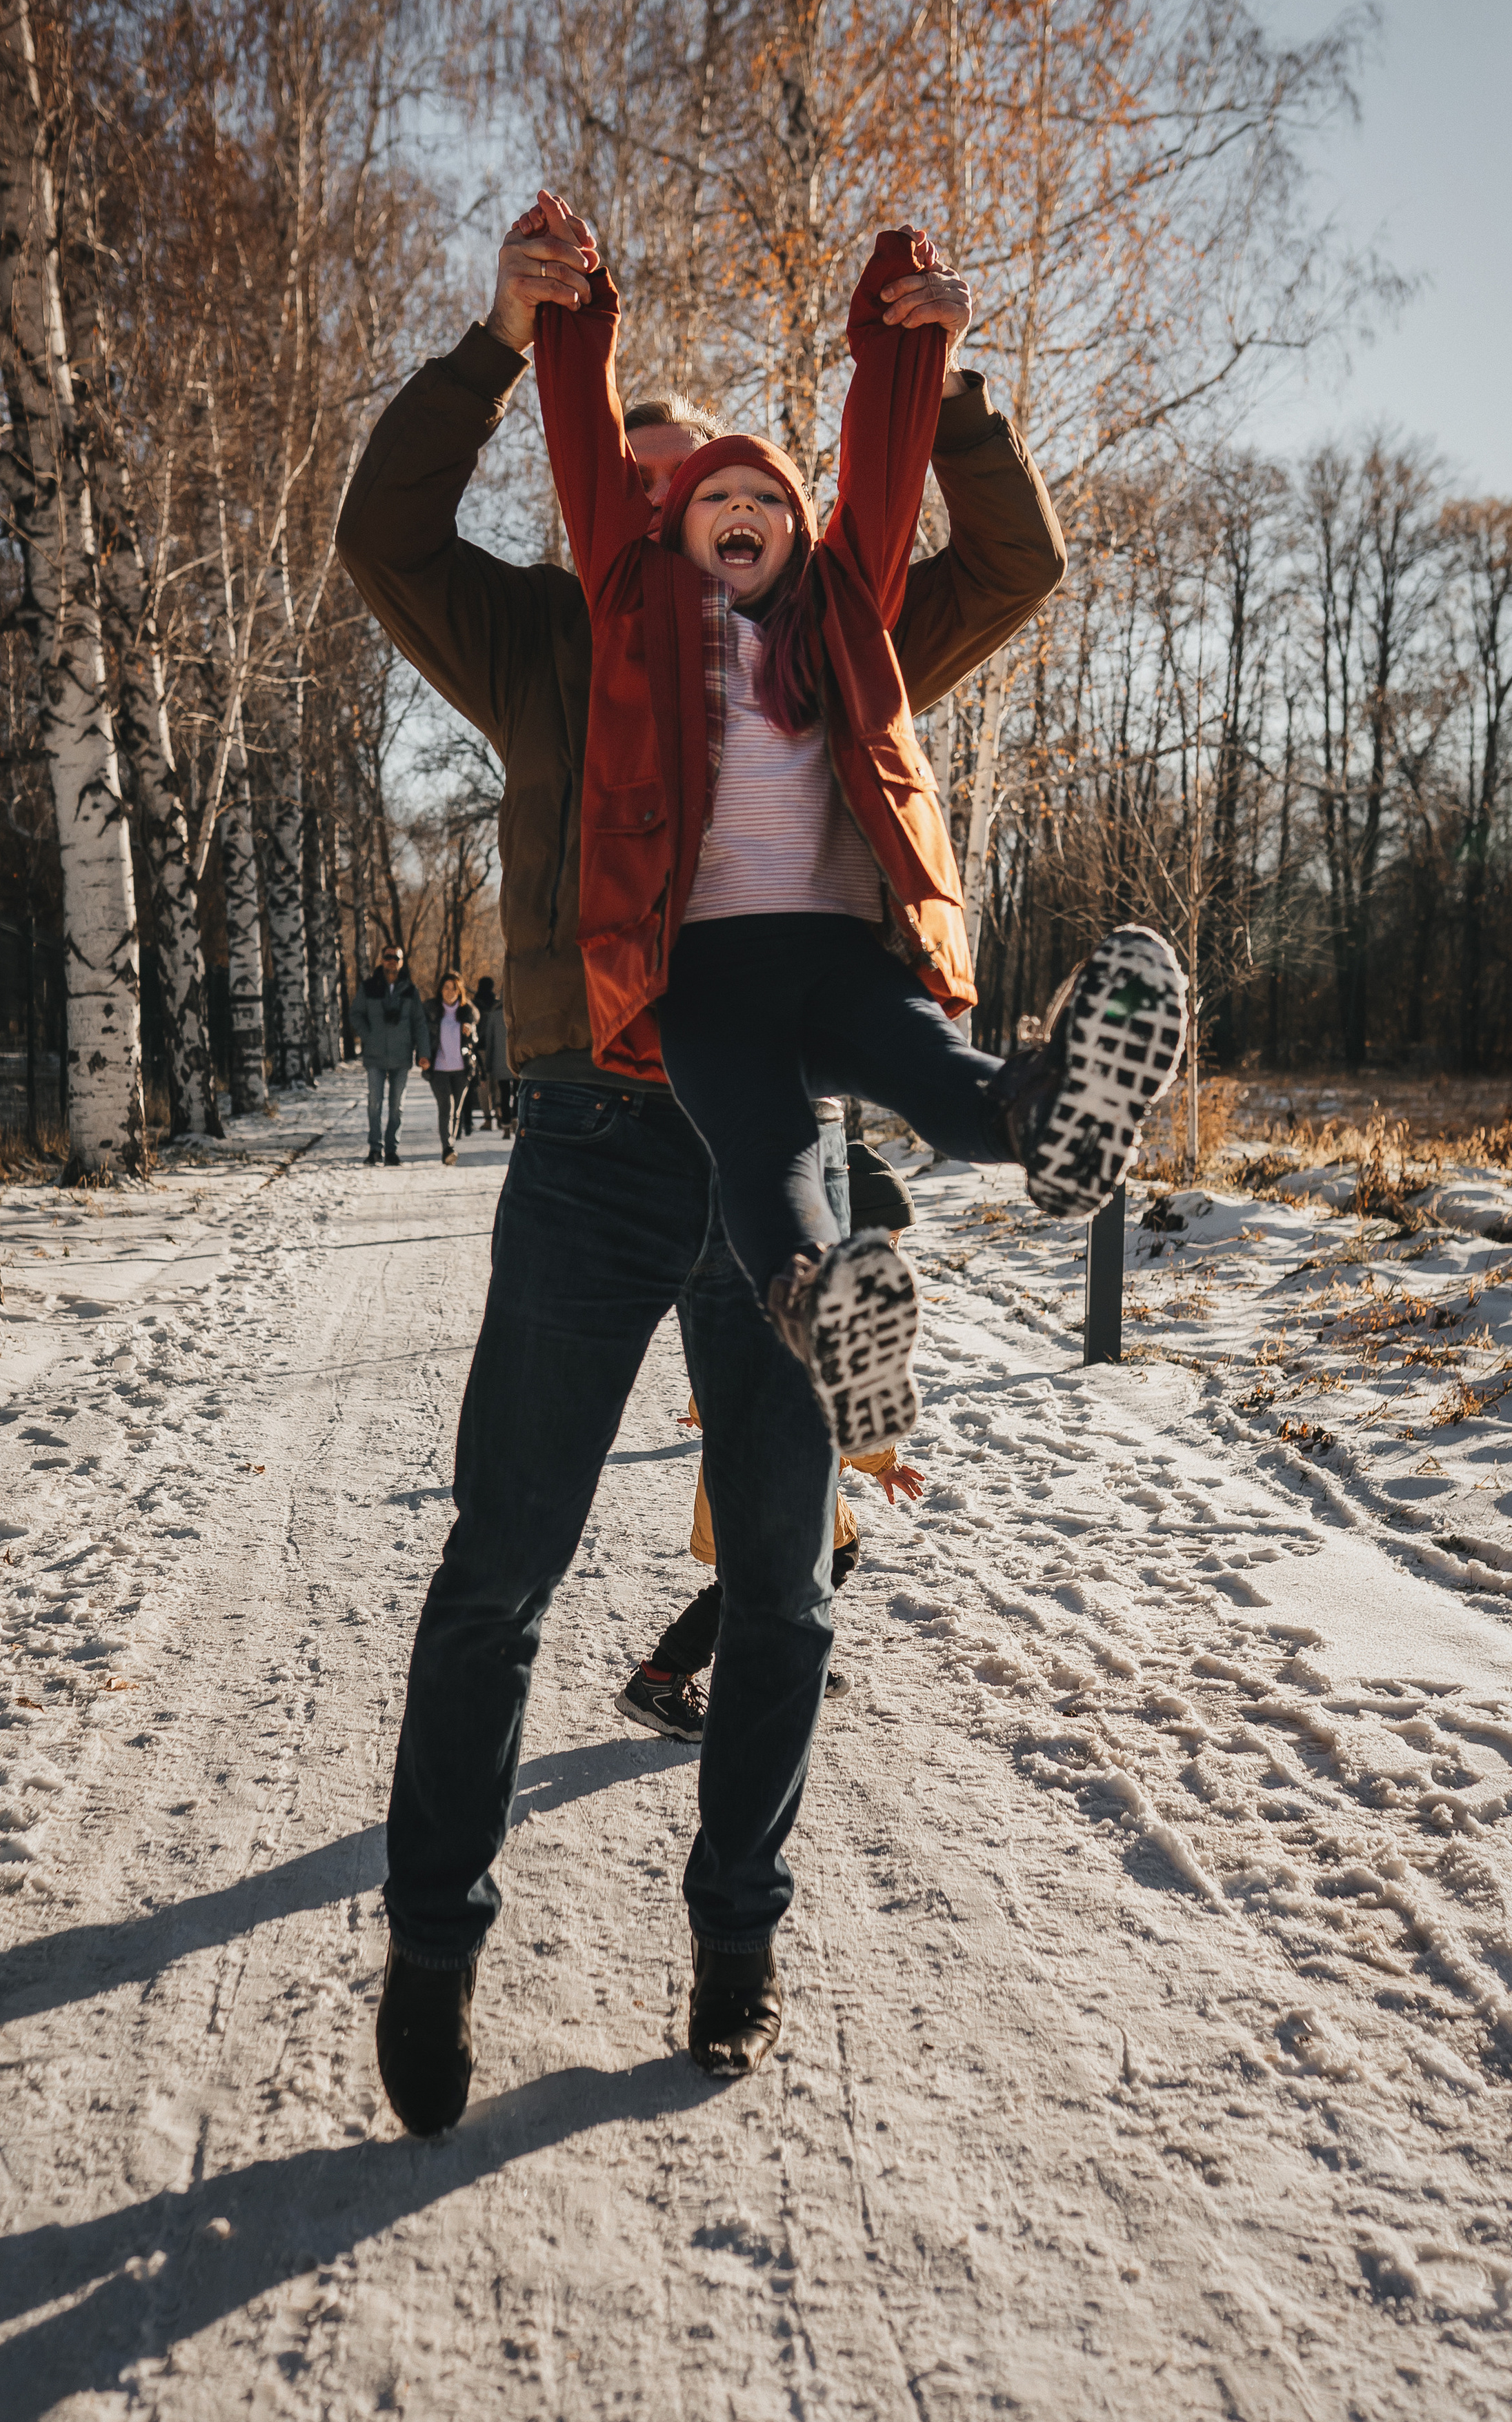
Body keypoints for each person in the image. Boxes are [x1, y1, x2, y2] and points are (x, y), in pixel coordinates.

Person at [334, 188, 1066, 2133]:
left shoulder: (819, 633)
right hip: (595, 1141)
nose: (678, 502)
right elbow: (381, 535)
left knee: (786, 1595)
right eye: (648, 481)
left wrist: (943, 380)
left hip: (784, 1153)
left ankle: (736, 1938)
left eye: (711, 482)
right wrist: (498, 346)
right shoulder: (546, 633)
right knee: (502, 1563)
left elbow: (1008, 559)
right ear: (618, 514)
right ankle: (434, 1938)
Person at [533, 191, 1186, 1458]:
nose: (741, 509)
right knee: (765, 1151)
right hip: (698, 974)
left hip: (837, 956)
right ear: (671, 529)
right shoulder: (634, 609)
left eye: (767, 498)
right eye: (714, 497)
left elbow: (881, 472)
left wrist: (908, 335)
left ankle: (1045, 1122)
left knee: (938, 1071)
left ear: (799, 530)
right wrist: (575, 313)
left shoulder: (845, 611)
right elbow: (582, 452)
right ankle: (826, 1308)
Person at [621, 1141, 925, 1740]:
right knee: (764, 1582)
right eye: (885, 1242)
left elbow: (720, 1372)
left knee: (803, 1567)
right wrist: (883, 1462)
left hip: (763, 1472)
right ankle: (660, 1678)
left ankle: (789, 1652)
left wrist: (704, 1410)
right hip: (775, 1478)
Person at [350, 942, 429, 1165]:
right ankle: (375, 1149)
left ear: (402, 962)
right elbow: (355, 1014)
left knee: (397, 1106)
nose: (392, 961)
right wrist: (369, 1036)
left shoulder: (410, 990)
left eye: (397, 957)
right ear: (382, 960)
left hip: (401, 1057)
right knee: (374, 1103)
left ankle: (392, 1150)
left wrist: (423, 1053)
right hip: (375, 1056)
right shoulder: (369, 988)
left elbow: (420, 1023)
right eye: (388, 957)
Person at [426, 972, 479, 1163]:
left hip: (462, 1069)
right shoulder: (432, 1012)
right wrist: (423, 1058)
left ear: (460, 991)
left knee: (456, 1111)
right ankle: (447, 1148)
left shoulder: (467, 1013)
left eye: (454, 988)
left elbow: (475, 1040)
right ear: (441, 990)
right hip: (439, 1068)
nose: (450, 992)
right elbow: (423, 1038)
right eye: (446, 987)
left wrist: (470, 1032)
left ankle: (451, 1145)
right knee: (446, 1107)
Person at [472, 975, 514, 1134]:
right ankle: (500, 1113)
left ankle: (488, 1119)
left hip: (480, 1049)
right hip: (498, 1049)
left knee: (483, 1086)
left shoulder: (475, 1004)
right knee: (499, 1086)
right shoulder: (497, 1005)